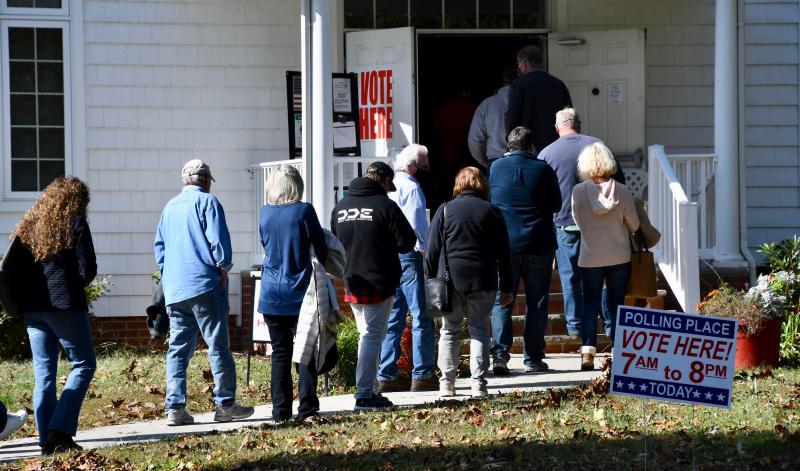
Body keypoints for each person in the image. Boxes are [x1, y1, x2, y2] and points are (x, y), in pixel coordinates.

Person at [154, 159, 254, 426]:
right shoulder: (208, 202)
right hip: (205, 284)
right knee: (218, 346)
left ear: (184, 180)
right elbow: (218, 240)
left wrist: (169, 276)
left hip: (175, 289)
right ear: (206, 180)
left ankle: (175, 408)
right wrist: (223, 268)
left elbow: (160, 249)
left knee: (178, 349)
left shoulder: (169, 207)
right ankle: (225, 405)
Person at [12, 177, 97, 454]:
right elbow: (88, 270)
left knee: (44, 375)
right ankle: (59, 432)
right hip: (64, 308)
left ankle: (46, 442)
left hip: (32, 310)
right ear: (77, 201)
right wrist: (73, 285)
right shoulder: (75, 223)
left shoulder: (28, 227)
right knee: (84, 364)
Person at [331, 162, 416, 411]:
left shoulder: (340, 207)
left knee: (366, 336)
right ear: (383, 180)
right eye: (389, 184)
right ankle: (365, 393)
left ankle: (370, 389)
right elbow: (407, 241)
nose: (390, 189)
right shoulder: (385, 206)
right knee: (372, 336)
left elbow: (335, 242)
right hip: (379, 281)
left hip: (352, 281)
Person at [426, 167, 513, 398]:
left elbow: (431, 251)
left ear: (458, 185)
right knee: (480, 330)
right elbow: (504, 252)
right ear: (482, 185)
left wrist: (430, 279)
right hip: (483, 279)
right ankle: (478, 383)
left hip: (451, 280)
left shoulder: (445, 210)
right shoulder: (492, 211)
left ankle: (446, 383)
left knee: (449, 331)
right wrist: (507, 286)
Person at [489, 127, 561, 374]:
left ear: (509, 145)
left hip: (505, 245)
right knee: (537, 300)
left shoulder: (496, 168)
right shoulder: (543, 169)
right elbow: (557, 204)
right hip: (538, 243)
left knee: (503, 299)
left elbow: (492, 202)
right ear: (531, 146)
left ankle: (500, 355)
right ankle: (533, 357)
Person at [258, 165, 328, 421]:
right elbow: (322, 249)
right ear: (296, 185)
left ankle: (280, 412)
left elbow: (265, 245)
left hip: (270, 293)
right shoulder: (303, 211)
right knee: (306, 351)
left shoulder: (264, 213)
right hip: (300, 292)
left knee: (280, 354)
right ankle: (307, 408)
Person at [572, 143, 640, 370]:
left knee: (590, 304)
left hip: (590, 256)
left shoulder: (578, 192)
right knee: (616, 305)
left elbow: (577, 221)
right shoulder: (621, 189)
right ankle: (618, 351)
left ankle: (587, 353)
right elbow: (634, 224)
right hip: (619, 255)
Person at [378, 145, 437, 393]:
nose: (425, 169)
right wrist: (426, 250)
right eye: (423, 165)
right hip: (411, 256)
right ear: (413, 165)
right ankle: (422, 374)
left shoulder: (390, 188)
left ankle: (386, 374)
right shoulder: (412, 188)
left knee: (395, 317)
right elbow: (417, 226)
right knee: (422, 316)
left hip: (390, 255)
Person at [538, 108, 600, 339]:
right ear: (579, 124)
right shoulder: (596, 146)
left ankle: (575, 325)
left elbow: (540, 193)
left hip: (562, 221)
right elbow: (617, 179)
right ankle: (602, 321)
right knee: (598, 274)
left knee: (569, 275)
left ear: (557, 127)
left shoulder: (546, 154)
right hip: (596, 221)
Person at [505, 45, 572, 154]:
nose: (519, 67)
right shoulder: (558, 84)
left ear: (525, 62)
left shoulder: (519, 85)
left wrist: (510, 140)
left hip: (527, 145)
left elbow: (513, 115)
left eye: (519, 63)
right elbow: (568, 115)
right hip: (555, 145)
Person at [467, 66, 516, 172]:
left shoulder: (487, 104)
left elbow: (474, 140)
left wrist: (481, 160)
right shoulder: (527, 103)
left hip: (495, 160)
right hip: (523, 160)